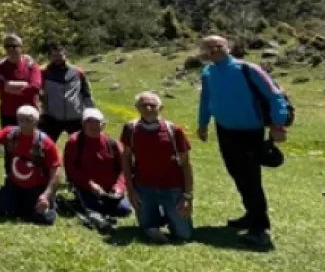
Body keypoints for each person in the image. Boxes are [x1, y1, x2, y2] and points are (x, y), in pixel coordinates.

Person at [197, 35, 289, 249]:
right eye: (208, 47)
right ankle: (250, 215)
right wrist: (202, 124)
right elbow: (206, 99)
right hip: (225, 131)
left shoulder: (248, 69)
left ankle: (260, 228)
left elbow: (275, 96)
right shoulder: (208, 72)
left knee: (251, 179)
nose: (214, 50)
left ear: (228, 47)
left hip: (250, 132)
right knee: (236, 173)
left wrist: (278, 125)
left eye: (218, 45)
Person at [0, 103, 60, 225]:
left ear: (36, 122)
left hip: (37, 187)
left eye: (28, 120)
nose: (23, 123)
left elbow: (56, 171)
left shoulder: (46, 143)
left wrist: (46, 195)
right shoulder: (10, 133)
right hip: (15, 185)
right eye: (20, 119)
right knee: (5, 212)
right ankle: (21, 204)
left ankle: (46, 204)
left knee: (45, 219)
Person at [121, 91, 194, 244]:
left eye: (152, 105)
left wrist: (187, 197)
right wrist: (131, 190)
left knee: (184, 235)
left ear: (161, 108)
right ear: (137, 108)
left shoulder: (174, 130)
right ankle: (162, 214)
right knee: (147, 229)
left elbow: (186, 164)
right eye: (143, 105)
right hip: (144, 187)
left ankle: (168, 213)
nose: (148, 108)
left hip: (172, 187)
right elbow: (126, 159)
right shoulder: (130, 129)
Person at [63, 108, 131, 226]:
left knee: (124, 210)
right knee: (97, 208)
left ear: (103, 125)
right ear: (83, 124)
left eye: (97, 122)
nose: (93, 125)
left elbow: (124, 168)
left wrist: (118, 187)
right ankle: (81, 200)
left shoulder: (112, 143)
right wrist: (90, 184)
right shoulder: (74, 142)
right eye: (89, 122)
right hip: (86, 187)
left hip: (110, 190)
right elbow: (71, 170)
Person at [0, 34, 43, 179]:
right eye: (7, 46)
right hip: (9, 112)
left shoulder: (31, 66)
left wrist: (9, 86)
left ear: (21, 48)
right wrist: (23, 85)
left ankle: (34, 174)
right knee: (10, 145)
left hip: (30, 113)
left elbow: (35, 86)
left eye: (15, 46)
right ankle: (10, 176)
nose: (11, 50)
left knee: (33, 144)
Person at [40, 42, 94, 144]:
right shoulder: (44, 72)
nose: (58, 58)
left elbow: (86, 94)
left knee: (81, 146)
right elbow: (36, 91)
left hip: (75, 117)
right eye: (54, 56)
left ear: (65, 54)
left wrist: (91, 113)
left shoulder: (78, 72)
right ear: (50, 56)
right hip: (52, 118)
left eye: (60, 55)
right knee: (45, 146)